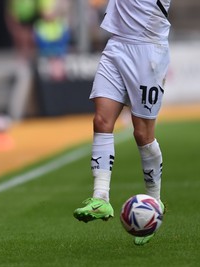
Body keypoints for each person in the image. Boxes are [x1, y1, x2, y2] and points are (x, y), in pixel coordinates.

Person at [73, 0, 171, 246]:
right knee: (101, 120)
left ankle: (154, 202)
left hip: (148, 49)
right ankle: (101, 198)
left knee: (143, 135)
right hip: (117, 45)